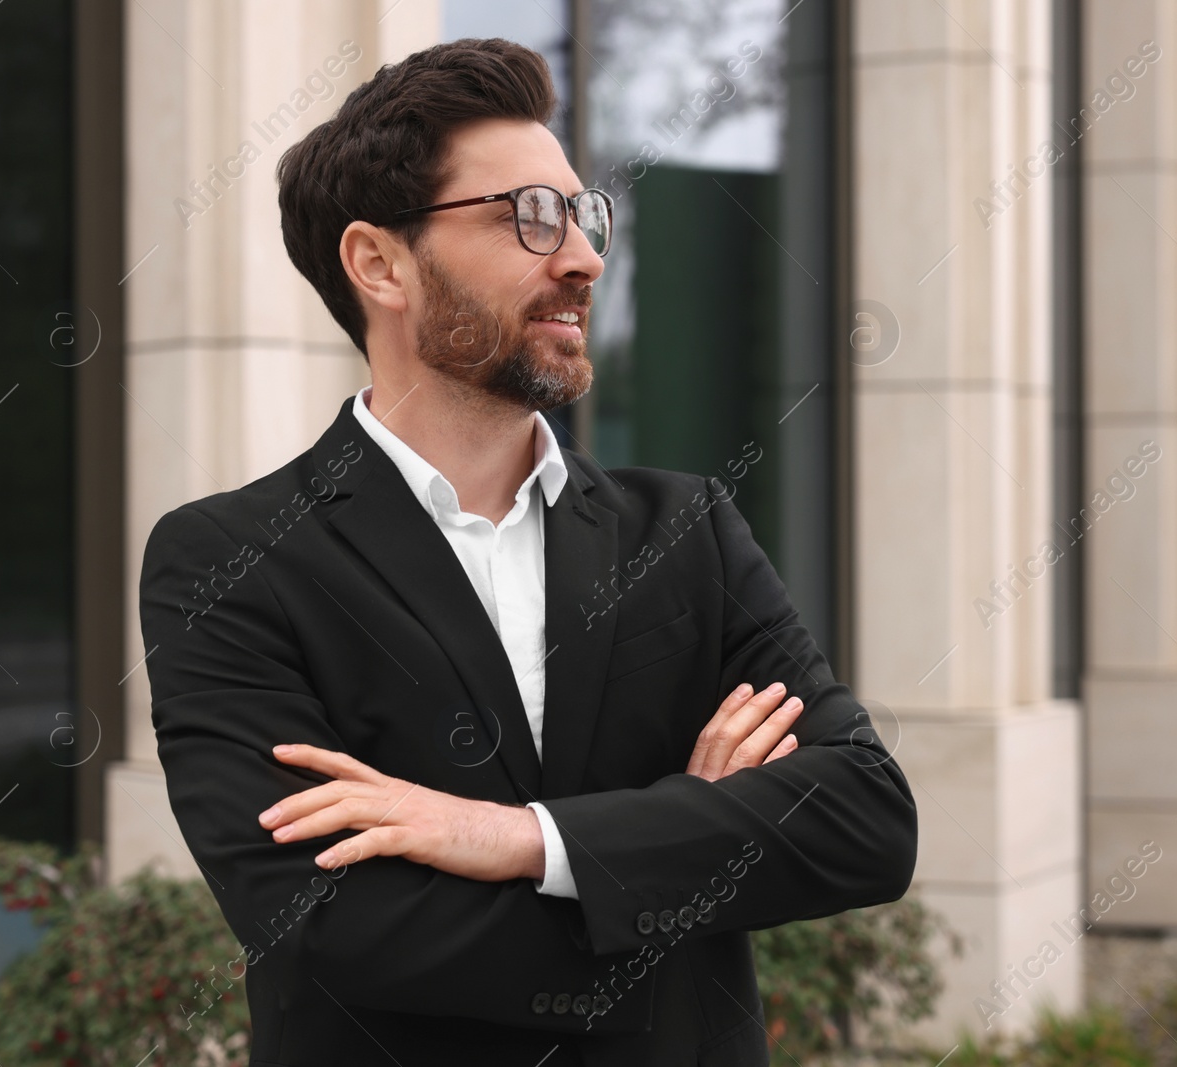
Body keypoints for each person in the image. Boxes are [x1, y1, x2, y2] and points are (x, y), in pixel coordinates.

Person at [138, 36, 916, 1067]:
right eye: (528, 217)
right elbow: (336, 927)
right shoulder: (232, 558)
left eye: (583, 214)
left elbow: (864, 821)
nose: (585, 257)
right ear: (380, 263)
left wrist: (521, 838)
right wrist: (684, 837)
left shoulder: (685, 529)